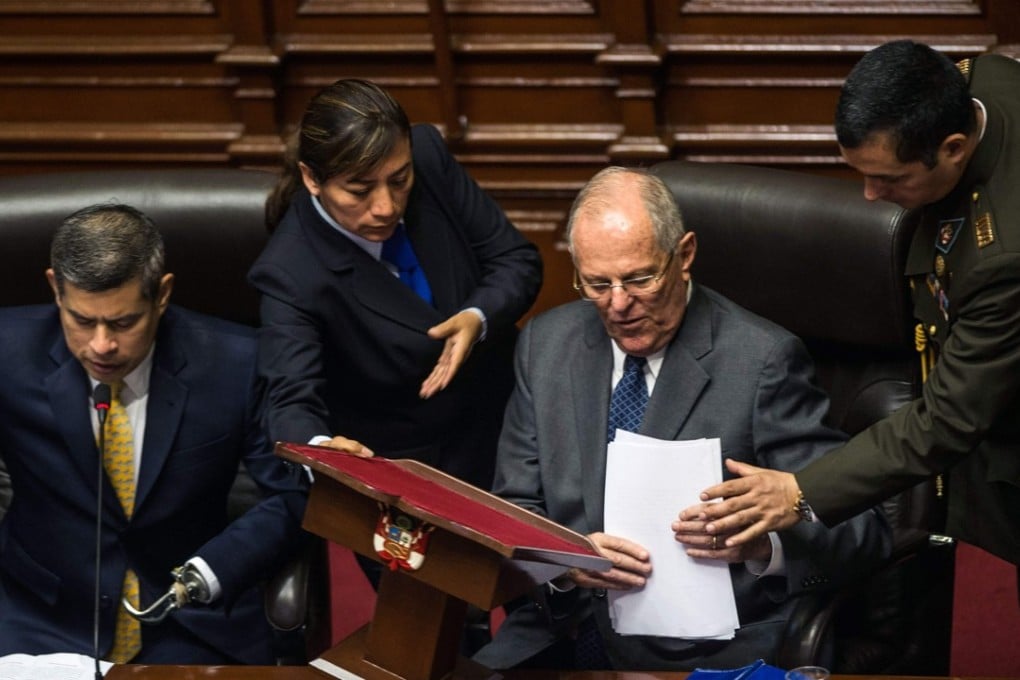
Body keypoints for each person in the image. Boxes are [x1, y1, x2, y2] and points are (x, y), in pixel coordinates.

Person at [472, 167, 890, 671]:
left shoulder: (763, 361)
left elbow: (860, 531)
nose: (619, 304)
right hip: (556, 633)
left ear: (685, 255)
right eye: (597, 285)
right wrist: (566, 560)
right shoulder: (545, 345)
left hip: (699, 655)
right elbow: (511, 507)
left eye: (640, 279)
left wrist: (763, 545)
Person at [686, 40, 1020, 570]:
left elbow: (949, 417)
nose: (868, 195)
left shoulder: (1003, 255)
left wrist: (800, 491)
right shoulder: (979, 78)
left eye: (889, 179)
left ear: (954, 147)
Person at [0, 204, 309, 664]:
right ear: (55, 290)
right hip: (39, 619)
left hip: (192, 624)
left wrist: (208, 573)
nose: (102, 345)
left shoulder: (237, 363)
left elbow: (290, 497)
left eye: (124, 323)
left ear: (161, 296)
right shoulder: (7, 352)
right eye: (83, 321)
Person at [248, 78, 542, 491]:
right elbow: (289, 399)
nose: (386, 207)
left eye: (399, 180)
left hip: (513, 421)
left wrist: (478, 316)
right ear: (312, 179)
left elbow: (516, 260)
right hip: (415, 469)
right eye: (360, 190)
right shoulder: (288, 270)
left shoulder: (426, 155)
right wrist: (321, 449)